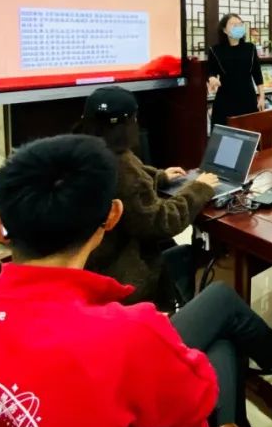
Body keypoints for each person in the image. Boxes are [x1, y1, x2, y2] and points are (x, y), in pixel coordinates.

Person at [0, 135, 272, 427]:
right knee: (221, 339)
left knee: (219, 324)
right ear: (112, 216)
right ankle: (269, 389)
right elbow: (195, 402)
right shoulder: (128, 332)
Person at [77, 85, 208, 310]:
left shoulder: (83, 151)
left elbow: (129, 185)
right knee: (184, 254)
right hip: (124, 281)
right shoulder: (121, 165)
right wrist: (199, 189)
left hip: (91, 268)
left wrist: (160, 177)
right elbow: (161, 222)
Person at [207, 13, 265, 129]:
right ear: (224, 30)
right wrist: (211, 78)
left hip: (248, 99)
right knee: (224, 135)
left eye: (240, 24)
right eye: (233, 24)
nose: (238, 27)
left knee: (249, 134)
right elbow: (211, 71)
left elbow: (257, 74)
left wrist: (262, 97)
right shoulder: (215, 50)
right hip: (225, 100)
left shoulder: (250, 48)